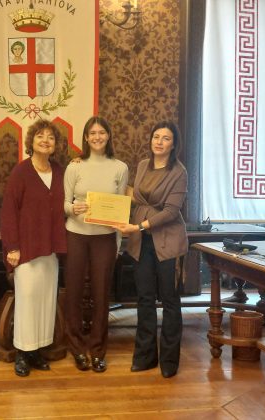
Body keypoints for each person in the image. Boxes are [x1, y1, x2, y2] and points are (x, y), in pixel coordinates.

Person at [117, 121, 188, 379]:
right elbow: (137, 197)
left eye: (165, 138)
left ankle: (169, 360)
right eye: (156, 137)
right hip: (141, 243)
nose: (159, 142)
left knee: (169, 300)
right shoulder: (142, 166)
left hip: (168, 241)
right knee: (145, 299)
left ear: (173, 144)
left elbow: (171, 211)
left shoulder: (179, 172)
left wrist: (140, 226)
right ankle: (145, 357)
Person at [0, 119, 67, 377]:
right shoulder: (21, 172)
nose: (45, 140)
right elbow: (8, 212)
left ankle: (37, 350)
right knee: (27, 300)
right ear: (32, 141)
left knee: (46, 300)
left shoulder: (60, 171)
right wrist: (12, 247)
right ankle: (22, 352)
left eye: (50, 137)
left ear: (55, 144)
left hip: (51, 249)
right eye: (40, 135)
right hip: (26, 249)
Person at [63, 116, 128, 372]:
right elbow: (64, 203)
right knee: (74, 293)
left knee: (102, 295)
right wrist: (72, 208)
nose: (97, 137)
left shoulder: (120, 168)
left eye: (102, 132)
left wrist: (118, 243)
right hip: (76, 235)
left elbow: (120, 209)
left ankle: (98, 350)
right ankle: (77, 348)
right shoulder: (74, 166)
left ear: (108, 136)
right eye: (92, 133)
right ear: (86, 137)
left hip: (105, 239)